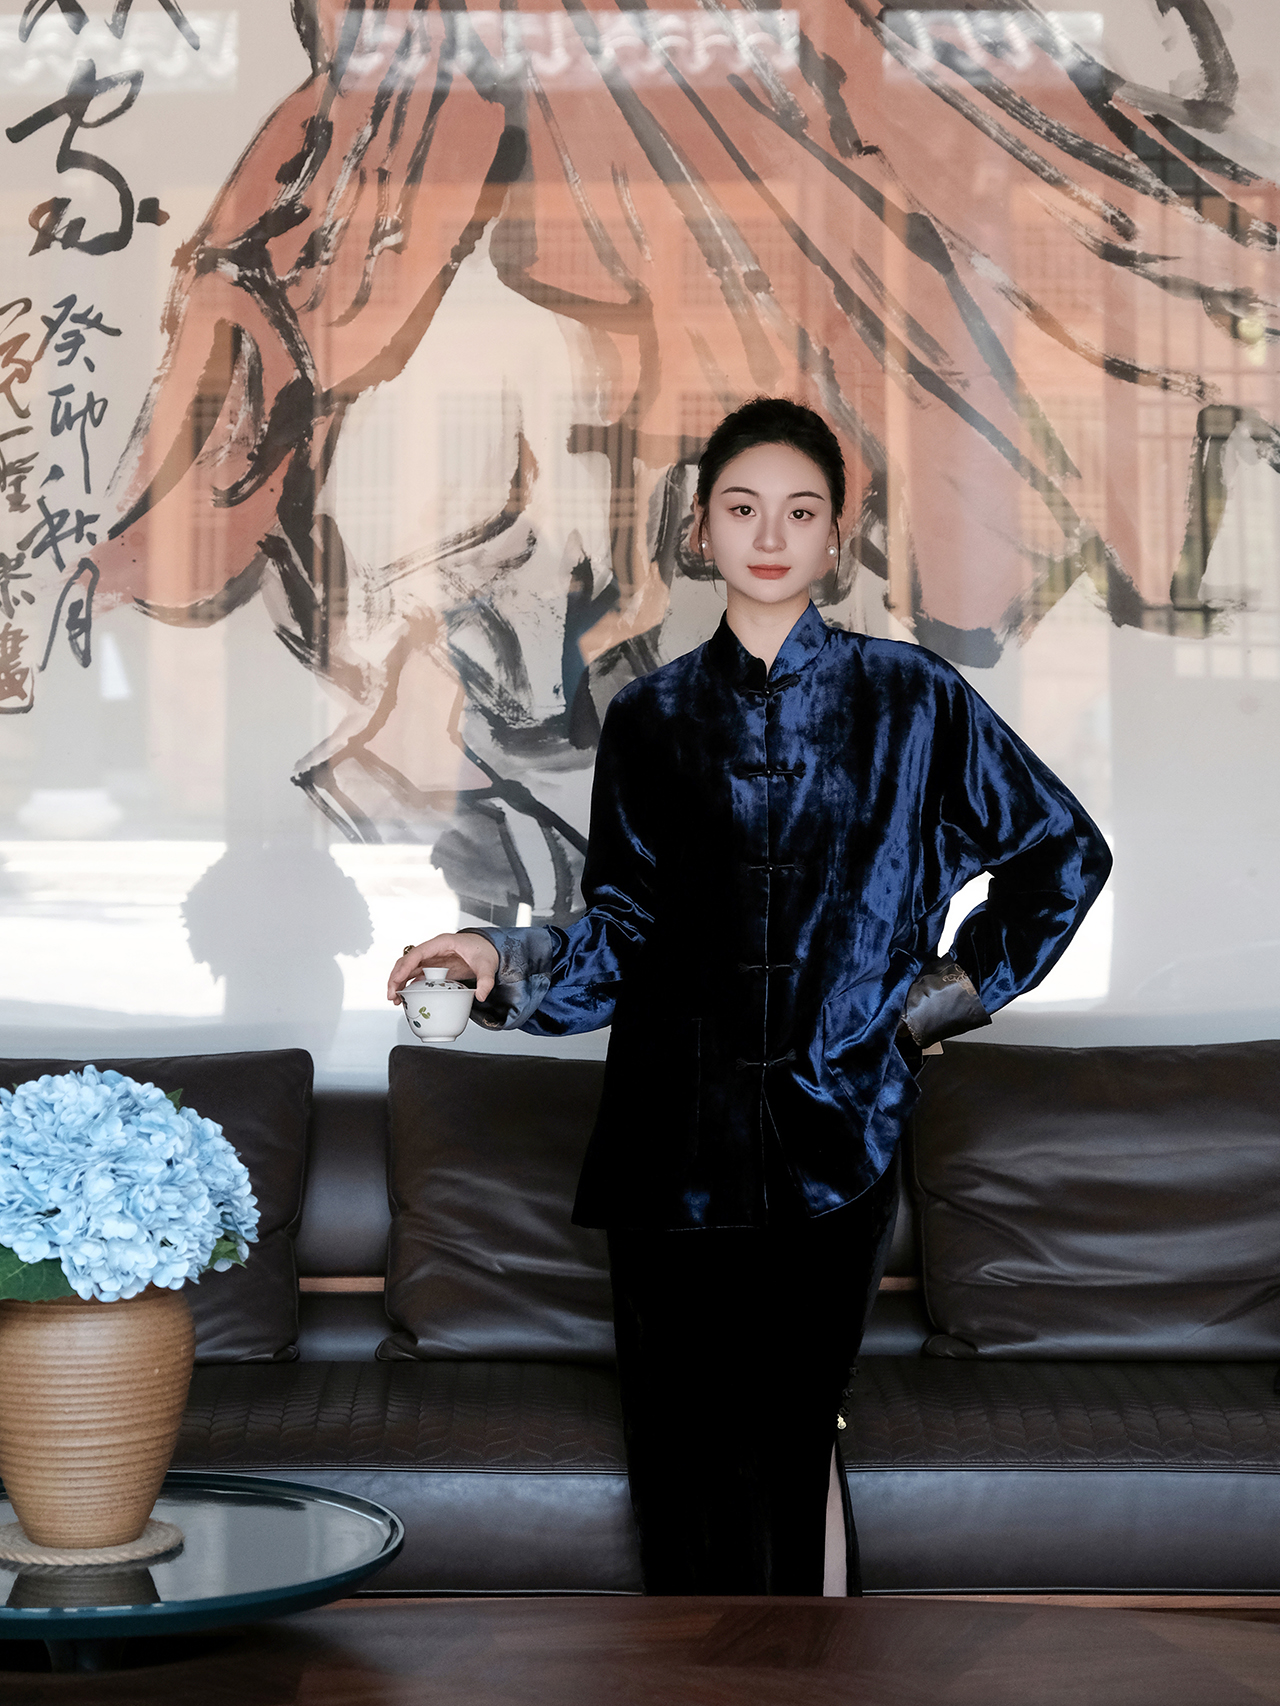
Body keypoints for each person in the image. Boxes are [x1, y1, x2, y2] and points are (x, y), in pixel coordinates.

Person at [387, 397, 1112, 1596]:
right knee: (674, 1459)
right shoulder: (651, 716)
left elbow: (1060, 855)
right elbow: (620, 933)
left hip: (835, 1139)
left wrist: (920, 1009)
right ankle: (681, 1678)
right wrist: (496, 957)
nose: (769, 535)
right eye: (741, 507)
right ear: (700, 528)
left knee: (785, 1443)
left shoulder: (914, 700)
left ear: (834, 535)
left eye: (799, 511)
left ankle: (791, 1674)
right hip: (666, 1146)